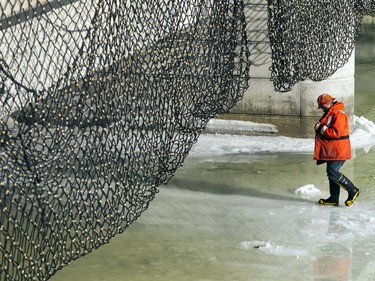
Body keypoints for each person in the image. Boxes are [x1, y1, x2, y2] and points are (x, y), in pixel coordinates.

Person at [314, 93, 360, 206]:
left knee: (332, 172)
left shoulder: (338, 114)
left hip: (338, 150)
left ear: (329, 103)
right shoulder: (331, 113)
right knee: (331, 172)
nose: (322, 109)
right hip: (333, 150)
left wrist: (320, 127)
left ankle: (352, 190)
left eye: (323, 106)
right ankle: (334, 198)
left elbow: (335, 133)